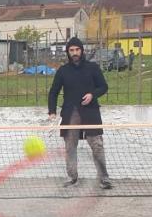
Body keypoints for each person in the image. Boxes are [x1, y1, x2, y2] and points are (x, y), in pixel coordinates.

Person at [47, 35, 112, 189]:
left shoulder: (93, 68)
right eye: (71, 50)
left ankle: (104, 178)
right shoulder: (63, 71)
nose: (74, 52)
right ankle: (72, 177)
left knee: (97, 145)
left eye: (77, 49)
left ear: (82, 51)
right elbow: (53, 92)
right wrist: (52, 111)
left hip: (91, 112)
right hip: (70, 113)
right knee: (70, 146)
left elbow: (103, 87)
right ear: (68, 53)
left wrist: (92, 95)